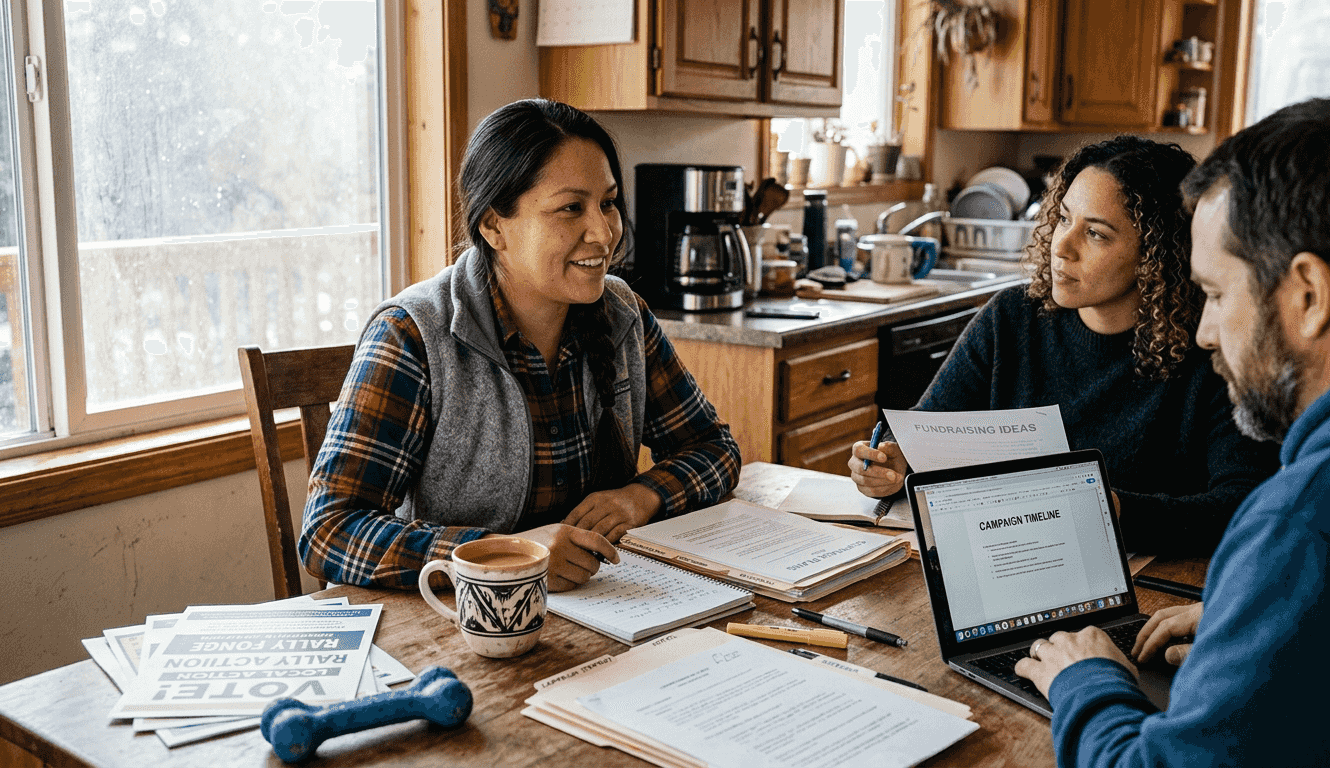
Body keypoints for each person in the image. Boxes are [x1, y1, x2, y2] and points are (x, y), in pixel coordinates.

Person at [1013, 97, 1330, 766]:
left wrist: (1084, 678)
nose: (1205, 332)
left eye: (1214, 293)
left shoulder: (1308, 521)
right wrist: (1258, 626)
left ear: (1308, 295)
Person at [299, 99, 741, 592]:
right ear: (493, 226)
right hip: (462, 627)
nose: (603, 232)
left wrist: (641, 496)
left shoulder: (624, 314)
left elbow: (715, 449)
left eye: (609, 203)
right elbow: (328, 532)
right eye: (571, 207)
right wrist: (508, 557)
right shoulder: (411, 335)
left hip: (606, 609)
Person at [850, 136, 1277, 555]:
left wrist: (1116, 511)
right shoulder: (1012, 317)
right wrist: (893, 459)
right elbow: (927, 428)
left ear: (1156, 254)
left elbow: (1246, 504)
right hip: (1010, 561)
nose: (1062, 246)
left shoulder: (1210, 348)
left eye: (1096, 234)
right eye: (1064, 218)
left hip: (1153, 582)